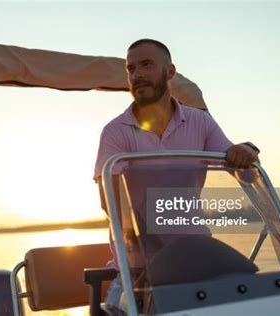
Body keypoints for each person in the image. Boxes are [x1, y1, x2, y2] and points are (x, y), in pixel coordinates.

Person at [93, 39, 260, 313]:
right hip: (137, 268)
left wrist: (248, 151)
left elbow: (243, 170)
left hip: (198, 256)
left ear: (170, 72)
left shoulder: (200, 122)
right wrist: (134, 258)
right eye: (131, 68)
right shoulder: (115, 131)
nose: (137, 75)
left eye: (146, 65)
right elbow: (109, 200)